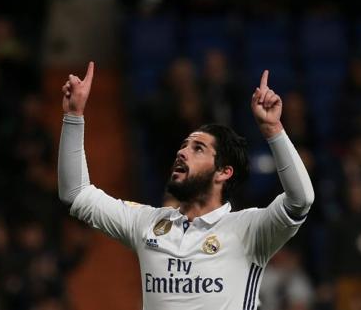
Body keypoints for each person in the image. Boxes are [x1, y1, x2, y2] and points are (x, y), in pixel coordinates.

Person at [57, 62, 314, 309]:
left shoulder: (249, 229)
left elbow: (300, 200)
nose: (182, 153)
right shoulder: (147, 223)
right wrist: (73, 116)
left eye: (197, 148)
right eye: (183, 146)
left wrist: (273, 130)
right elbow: (76, 193)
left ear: (224, 172)